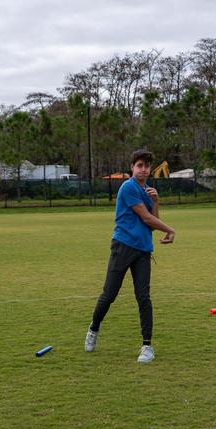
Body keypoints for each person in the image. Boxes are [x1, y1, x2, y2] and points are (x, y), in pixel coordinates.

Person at [85, 149, 175, 363]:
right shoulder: (128, 187)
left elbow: (152, 223)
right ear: (132, 167)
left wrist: (156, 202)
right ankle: (93, 329)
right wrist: (170, 229)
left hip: (143, 250)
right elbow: (146, 219)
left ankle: (147, 346)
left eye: (147, 166)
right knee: (109, 294)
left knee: (143, 297)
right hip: (123, 247)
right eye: (139, 165)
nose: (143, 169)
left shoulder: (147, 191)